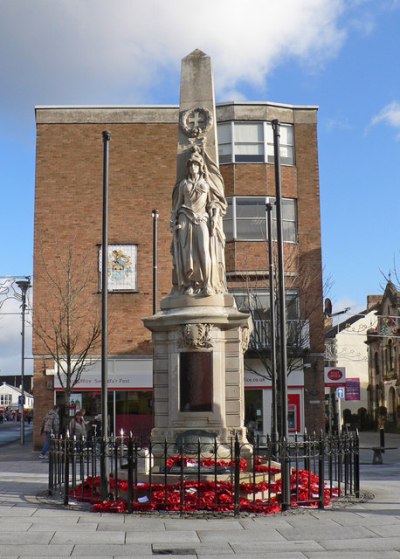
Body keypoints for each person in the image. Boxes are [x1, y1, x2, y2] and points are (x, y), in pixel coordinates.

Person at [171, 147, 227, 296]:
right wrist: (173, 220)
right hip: (184, 216)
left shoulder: (206, 184)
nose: (193, 167)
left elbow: (213, 203)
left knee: (204, 250)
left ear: (201, 167)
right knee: (186, 252)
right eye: (191, 165)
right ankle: (189, 284)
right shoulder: (183, 184)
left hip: (202, 217)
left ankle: (207, 284)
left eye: (196, 165)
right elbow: (177, 205)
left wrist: (214, 217)